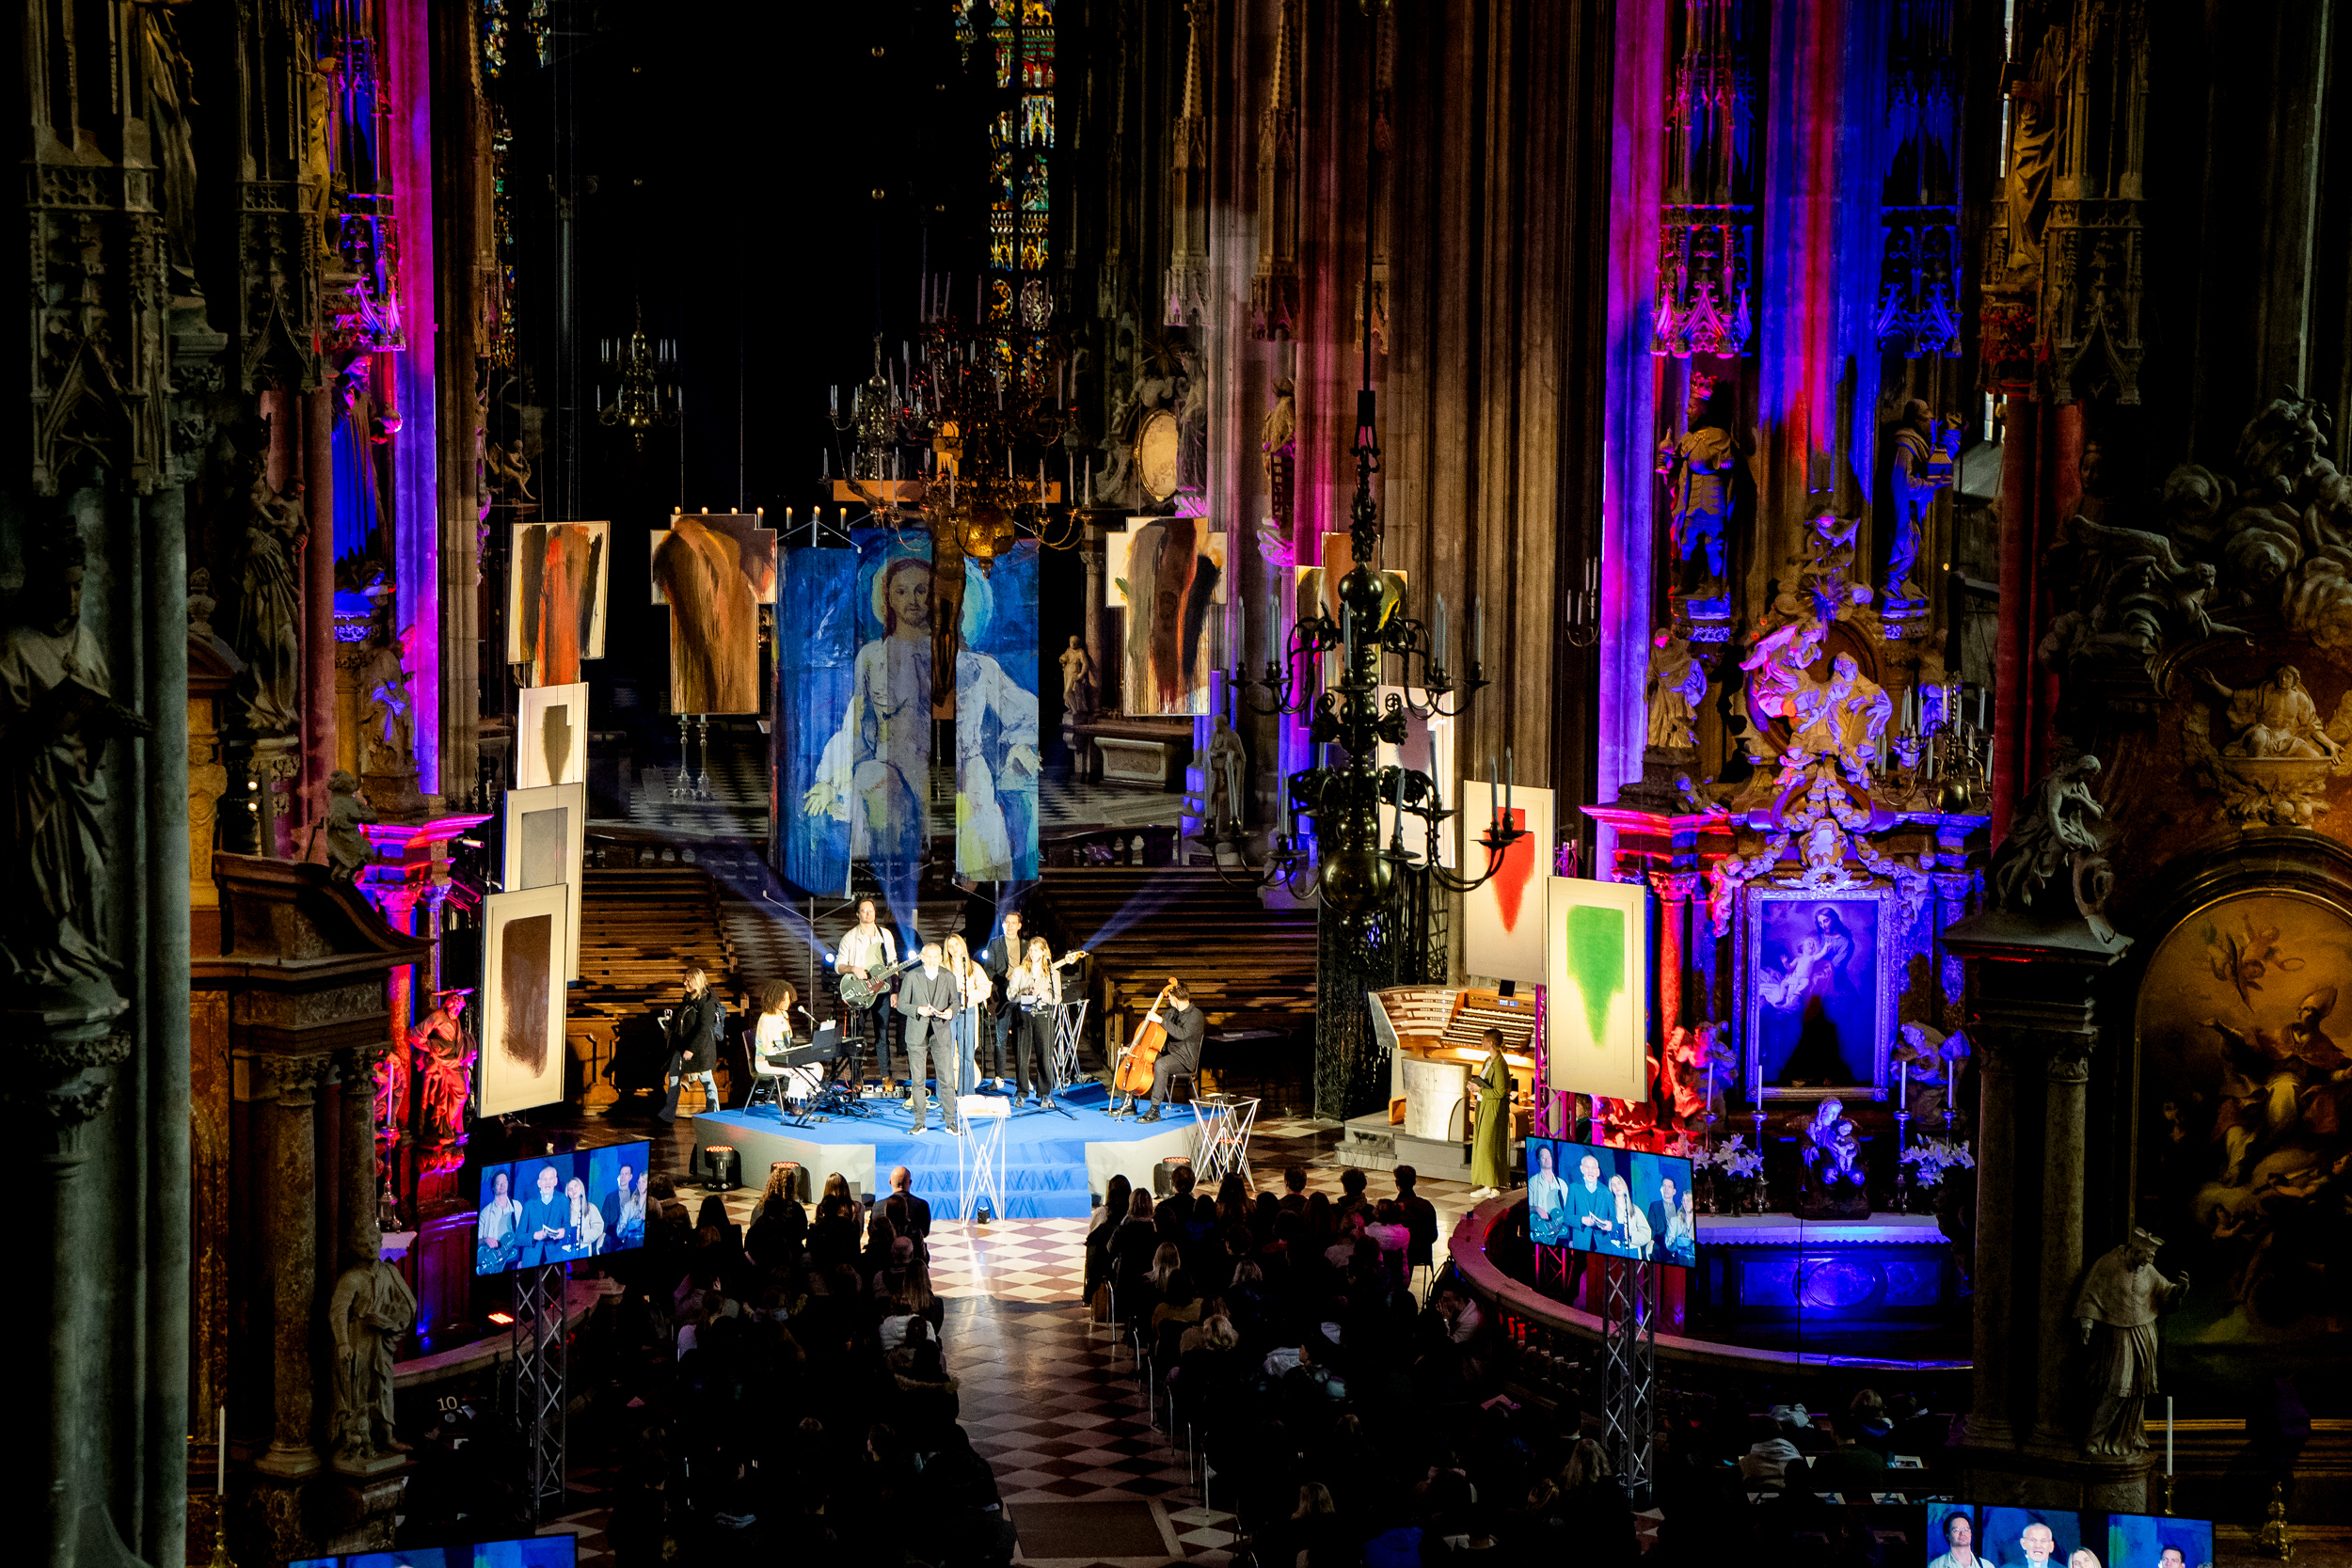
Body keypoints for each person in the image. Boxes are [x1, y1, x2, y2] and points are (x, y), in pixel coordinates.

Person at [895, 944, 963, 1135]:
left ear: (941, 958)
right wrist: (918, 1010)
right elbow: (901, 1004)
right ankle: (919, 1123)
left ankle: (951, 1122)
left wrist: (951, 1011)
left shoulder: (949, 976)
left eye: (936, 957)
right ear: (922, 957)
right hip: (917, 1033)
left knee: (947, 1079)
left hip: (941, 1032)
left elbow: (955, 1001)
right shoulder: (912, 976)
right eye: (929, 957)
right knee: (918, 1080)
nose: (933, 960)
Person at [835, 897, 900, 1089]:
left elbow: (893, 964)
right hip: (860, 992)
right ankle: (856, 1077)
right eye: (864, 910)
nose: (868, 913)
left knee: (883, 1033)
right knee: (857, 1035)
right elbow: (838, 966)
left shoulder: (885, 935)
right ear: (858, 914)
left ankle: (886, 1076)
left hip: (881, 990)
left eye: (871, 910)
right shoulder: (849, 937)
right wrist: (853, 968)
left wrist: (895, 991)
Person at [1003, 935, 1066, 1107]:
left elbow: (1057, 998)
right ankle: (1021, 1092)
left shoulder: (1053, 973)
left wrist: (1041, 993)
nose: (1032, 953)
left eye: (1036, 950)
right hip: (1023, 1014)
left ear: (1044, 952)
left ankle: (1044, 1093)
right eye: (1030, 950)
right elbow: (1010, 995)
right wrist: (1025, 991)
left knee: (1044, 1054)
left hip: (1043, 1014)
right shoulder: (1019, 971)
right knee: (1021, 1055)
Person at [658, 966, 726, 1122]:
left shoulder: (706, 1001)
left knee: (707, 1081)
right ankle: (668, 1114)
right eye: (684, 980)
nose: (685, 984)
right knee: (674, 1077)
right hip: (682, 1047)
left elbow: (704, 1028)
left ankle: (715, 1115)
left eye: (688, 981)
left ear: (697, 981)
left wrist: (691, 1049)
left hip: (700, 1050)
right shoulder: (688, 999)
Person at [1136, 981, 1205, 1122]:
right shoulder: (1172, 1013)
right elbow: (1156, 1028)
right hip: (1168, 1053)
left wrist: (1161, 1020)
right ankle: (1129, 1101)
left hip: (1184, 1059)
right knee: (1136, 1057)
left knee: (1161, 1064)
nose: (1168, 1000)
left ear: (1175, 998)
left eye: (1169, 997)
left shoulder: (1196, 1015)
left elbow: (1181, 1034)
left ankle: (1155, 1110)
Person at [942, 933, 992, 1117]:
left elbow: (985, 989)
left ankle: (967, 1094)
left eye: (957, 944)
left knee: (967, 1053)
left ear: (963, 946)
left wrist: (969, 996)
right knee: (947, 1053)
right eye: (950, 946)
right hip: (948, 1012)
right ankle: (947, 1096)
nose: (954, 949)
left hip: (968, 1011)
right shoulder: (942, 967)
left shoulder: (973, 967)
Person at [977, 907, 1026, 1090]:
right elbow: (988, 968)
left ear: (1019, 925)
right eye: (1007, 923)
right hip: (1001, 996)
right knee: (1000, 1038)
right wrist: (1003, 981)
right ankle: (999, 1077)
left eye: (1014, 923)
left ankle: (1023, 1078)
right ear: (1003, 924)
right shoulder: (995, 944)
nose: (1010, 926)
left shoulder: (1026, 945)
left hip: (1021, 996)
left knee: (1022, 1039)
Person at [1470, 1028, 1511, 1197]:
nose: (1481, 1042)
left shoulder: (1500, 1064)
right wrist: (1475, 1087)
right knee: (1482, 1146)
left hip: (1493, 1108)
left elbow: (1500, 1092)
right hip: (1484, 1105)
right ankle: (1487, 1184)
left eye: (1483, 1040)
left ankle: (1493, 1186)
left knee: (1489, 1146)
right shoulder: (1488, 1061)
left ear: (1491, 1043)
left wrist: (1479, 1089)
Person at [518, 1163, 571, 1265]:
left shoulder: (563, 1200)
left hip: (554, 1257)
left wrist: (564, 1231)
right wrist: (534, 1235)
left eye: (551, 1179)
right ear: (539, 1183)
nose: (548, 1182)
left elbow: (567, 1225)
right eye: (544, 1179)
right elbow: (518, 1238)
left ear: (555, 1181)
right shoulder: (529, 1204)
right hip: (532, 1259)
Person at [477, 1168, 523, 1273]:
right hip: (492, 1262)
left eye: (504, 1182)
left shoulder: (517, 1206)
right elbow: (477, 1242)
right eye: (498, 1183)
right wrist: (485, 1240)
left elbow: (523, 1233)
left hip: (512, 1259)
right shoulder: (485, 1213)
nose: (502, 1185)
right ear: (493, 1187)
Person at [1569, 1153, 1616, 1251]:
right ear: (1582, 1169)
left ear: (1598, 1172)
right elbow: (1567, 1217)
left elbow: (1614, 1220)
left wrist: (1610, 1225)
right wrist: (1582, 1220)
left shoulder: (1606, 1192)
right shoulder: (1574, 1188)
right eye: (1587, 1167)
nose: (1590, 1171)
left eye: (1593, 1168)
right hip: (1581, 1243)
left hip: (1602, 1245)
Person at [599, 1157, 646, 1253]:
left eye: (626, 1174)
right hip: (612, 1238)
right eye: (621, 1174)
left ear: (630, 1177)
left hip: (632, 1238)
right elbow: (603, 1220)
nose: (623, 1176)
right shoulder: (610, 1198)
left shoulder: (635, 1197)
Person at [1526, 1143, 1566, 1243]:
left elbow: (1568, 1210)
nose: (1547, 1160)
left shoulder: (1561, 1184)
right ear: (1538, 1160)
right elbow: (1527, 1208)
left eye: (1549, 1157)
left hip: (1558, 1232)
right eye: (1543, 1157)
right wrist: (1537, 1208)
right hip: (1539, 1230)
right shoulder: (1532, 1182)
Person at [564, 1176, 608, 1258]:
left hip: (584, 1249)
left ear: (581, 1187)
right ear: (567, 1193)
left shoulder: (590, 1208)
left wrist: (583, 1234)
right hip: (566, 1250)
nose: (573, 1190)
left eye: (576, 1186)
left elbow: (598, 1228)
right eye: (570, 1189)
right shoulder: (563, 1210)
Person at [887, 1164, 932, 1241]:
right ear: (910, 1182)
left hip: (887, 1247)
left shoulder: (878, 1206)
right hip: (914, 1247)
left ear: (890, 1182)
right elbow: (924, 1232)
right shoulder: (921, 1205)